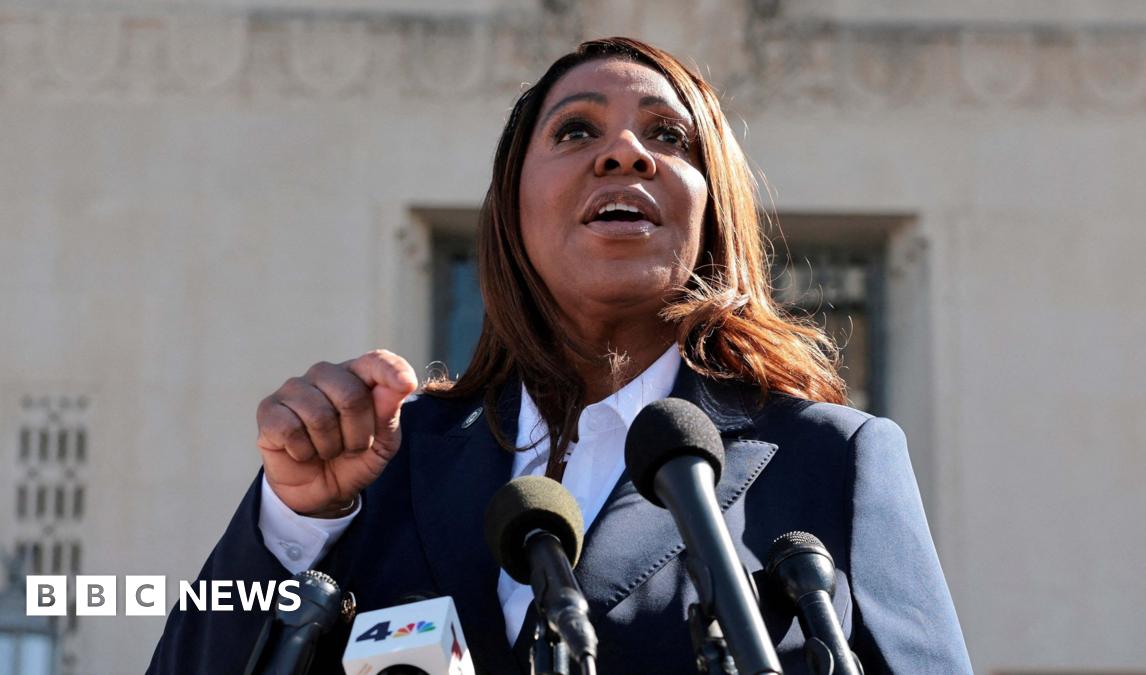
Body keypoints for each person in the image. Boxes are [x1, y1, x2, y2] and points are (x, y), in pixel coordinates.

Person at [148, 37, 971, 674]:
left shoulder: (831, 459)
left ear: (711, 207)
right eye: (577, 129)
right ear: (512, 209)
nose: (625, 154)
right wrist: (294, 521)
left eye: (668, 136)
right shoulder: (384, 458)